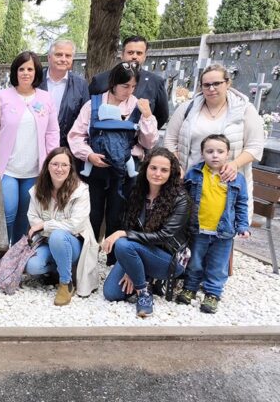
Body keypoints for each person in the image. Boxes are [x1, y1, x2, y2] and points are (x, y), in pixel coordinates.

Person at [68, 62, 158, 265]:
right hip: (95, 169)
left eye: (133, 87)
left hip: (125, 170)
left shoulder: (138, 106)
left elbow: (148, 142)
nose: (129, 91)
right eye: (125, 86)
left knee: (119, 214)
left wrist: (147, 116)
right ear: (113, 84)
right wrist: (89, 155)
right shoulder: (93, 104)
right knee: (91, 212)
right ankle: (86, 256)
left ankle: (114, 258)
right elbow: (75, 135)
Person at [164, 63, 264, 217]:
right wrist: (177, 165)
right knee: (185, 228)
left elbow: (255, 146)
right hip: (190, 180)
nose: (211, 89)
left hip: (226, 183)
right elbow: (170, 140)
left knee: (222, 231)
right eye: (206, 85)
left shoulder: (244, 109)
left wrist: (235, 164)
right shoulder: (187, 108)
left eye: (217, 83)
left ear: (228, 83)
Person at [102, 148, 191, 318]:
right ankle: (143, 278)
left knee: (122, 241)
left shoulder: (180, 198)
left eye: (164, 170)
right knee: (111, 293)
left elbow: (164, 236)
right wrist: (131, 266)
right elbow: (129, 224)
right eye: (153, 168)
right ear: (146, 168)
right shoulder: (137, 191)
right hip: (138, 251)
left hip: (168, 258)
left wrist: (124, 235)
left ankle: (143, 292)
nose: (158, 173)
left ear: (171, 172)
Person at [178, 134, 250, 313]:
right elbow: (184, 199)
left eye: (220, 151)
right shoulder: (194, 173)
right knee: (194, 261)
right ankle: (190, 288)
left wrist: (242, 226)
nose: (215, 155)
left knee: (218, 265)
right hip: (198, 229)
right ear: (202, 153)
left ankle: (213, 293)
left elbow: (241, 204)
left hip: (223, 233)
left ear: (228, 154)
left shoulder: (236, 178)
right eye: (209, 151)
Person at [0, 51, 59, 245]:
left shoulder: (46, 98)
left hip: (34, 170)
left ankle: (17, 251)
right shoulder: (2, 97)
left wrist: (51, 162)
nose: (25, 73)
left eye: (30, 69)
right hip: (7, 168)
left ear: (36, 72)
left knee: (25, 214)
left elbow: (52, 132)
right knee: (8, 210)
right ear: (15, 72)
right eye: (21, 69)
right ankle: (0, 249)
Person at [25, 147, 99, 305]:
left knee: (58, 236)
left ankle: (66, 283)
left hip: (73, 243)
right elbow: (32, 217)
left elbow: (74, 225)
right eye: (55, 164)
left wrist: (45, 225)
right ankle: (59, 269)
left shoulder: (81, 191)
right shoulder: (38, 190)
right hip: (47, 242)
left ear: (71, 167)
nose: (59, 169)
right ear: (48, 166)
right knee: (32, 267)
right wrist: (44, 226)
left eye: (64, 165)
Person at [89, 35, 169, 126]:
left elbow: (162, 115)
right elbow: (88, 111)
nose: (134, 56)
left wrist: (144, 134)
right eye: (130, 52)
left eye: (139, 53)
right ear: (122, 55)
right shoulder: (100, 80)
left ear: (145, 56)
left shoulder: (156, 82)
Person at [37, 40, 90, 147]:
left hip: (68, 149)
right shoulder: (35, 81)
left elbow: (85, 119)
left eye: (68, 56)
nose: (63, 59)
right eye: (59, 55)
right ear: (49, 57)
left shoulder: (81, 85)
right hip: (37, 145)